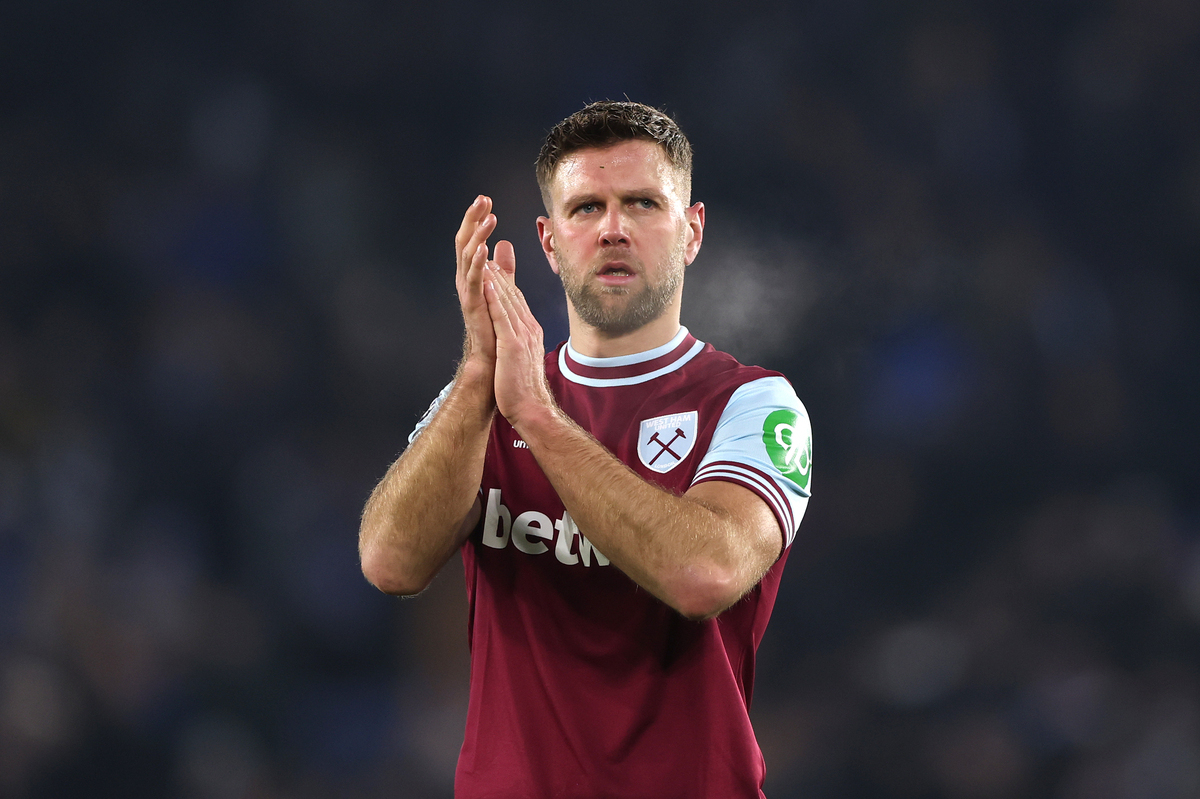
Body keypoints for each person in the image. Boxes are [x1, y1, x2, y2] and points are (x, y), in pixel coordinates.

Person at [359, 101, 812, 798]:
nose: (612, 229)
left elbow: (703, 573)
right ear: (547, 240)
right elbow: (389, 559)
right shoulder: (485, 397)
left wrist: (537, 418)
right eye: (585, 208)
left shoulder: (752, 404)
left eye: (641, 203)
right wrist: (478, 376)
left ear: (692, 231)